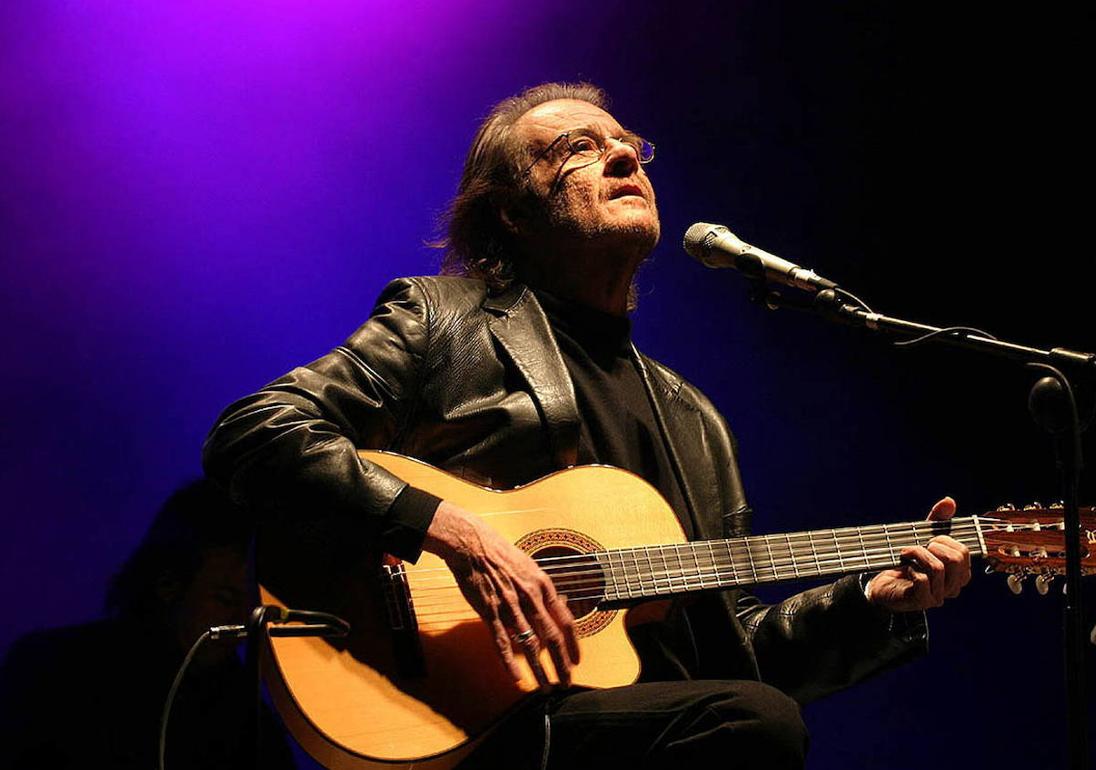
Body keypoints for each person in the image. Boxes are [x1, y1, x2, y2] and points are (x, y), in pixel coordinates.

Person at [202, 81, 972, 768]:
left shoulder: (693, 419)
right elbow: (258, 430)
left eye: (629, 146)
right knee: (752, 720)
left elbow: (737, 650)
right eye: (579, 148)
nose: (625, 158)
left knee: (752, 715)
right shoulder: (446, 321)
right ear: (512, 212)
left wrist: (873, 603)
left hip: (629, 730)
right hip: (457, 709)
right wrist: (454, 533)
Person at [0, 480, 295, 770]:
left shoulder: (245, 713)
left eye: (254, 606)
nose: (244, 619)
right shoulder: (52, 668)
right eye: (226, 599)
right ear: (168, 585)